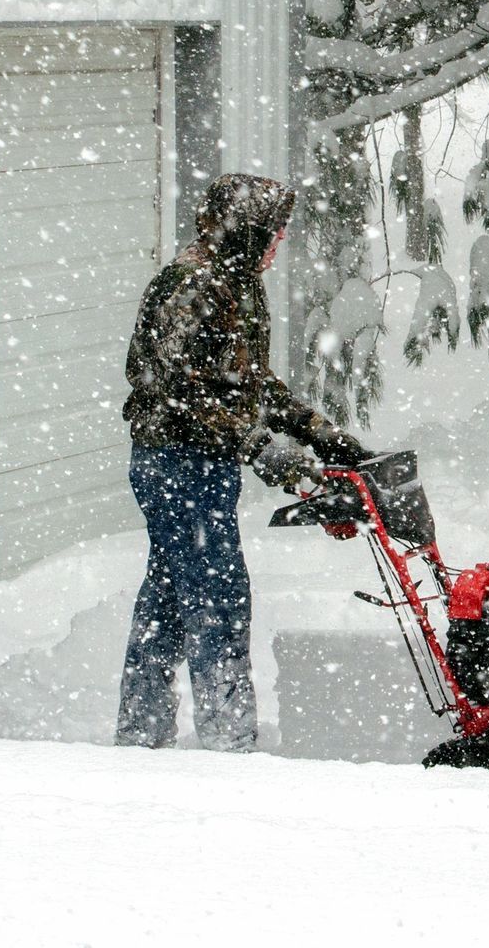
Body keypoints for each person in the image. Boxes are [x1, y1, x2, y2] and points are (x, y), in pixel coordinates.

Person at [114, 173, 371, 752]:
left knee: (171, 599)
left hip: (206, 462)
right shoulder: (192, 287)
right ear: (246, 233)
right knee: (217, 597)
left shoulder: (239, 283)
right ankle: (228, 745)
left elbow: (247, 385)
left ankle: (141, 733)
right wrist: (259, 446)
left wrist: (323, 437)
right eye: (272, 234)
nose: (279, 244)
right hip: (174, 461)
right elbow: (180, 389)